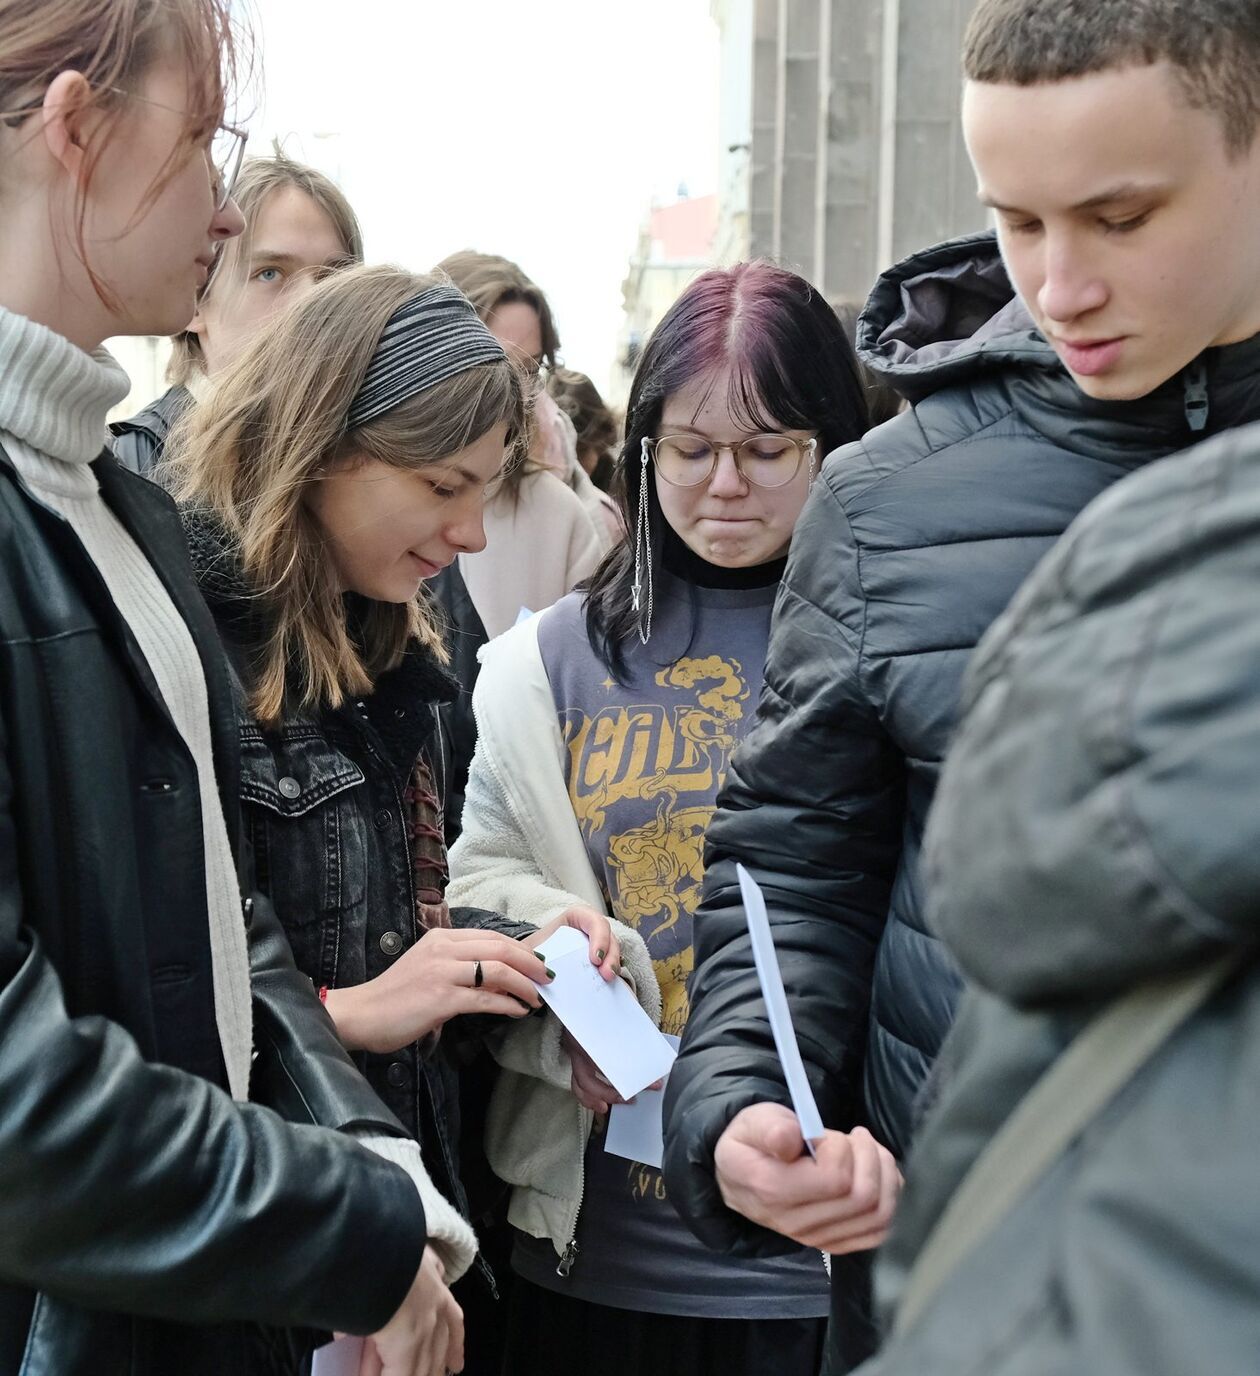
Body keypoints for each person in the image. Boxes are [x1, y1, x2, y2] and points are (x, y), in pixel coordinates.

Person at [662, 1, 1260, 1371]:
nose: (1059, 284)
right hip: (983, 1285)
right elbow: (793, 865)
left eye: (1119, 218)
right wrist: (751, 1099)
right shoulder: (884, 500)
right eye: (1017, 219)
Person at [0, 4, 472, 1373]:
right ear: (77, 126)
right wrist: (346, 1228)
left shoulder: (117, 508)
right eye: (204, 140)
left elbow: (227, 925)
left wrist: (378, 1174)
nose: (219, 201)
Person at [165, 262, 622, 1375]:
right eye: (441, 485)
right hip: (252, 1255)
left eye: (489, 488)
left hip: (395, 1233)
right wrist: (350, 1010)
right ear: (325, 449)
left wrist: (518, 962)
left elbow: (382, 927)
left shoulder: (395, 655)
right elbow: (153, 993)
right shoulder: (181, 642)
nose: (471, 533)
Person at [446, 262, 872, 1376]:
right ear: (640, 450)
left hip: (828, 1263)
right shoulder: (552, 661)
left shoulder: (885, 651)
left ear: (834, 444)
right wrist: (560, 1002)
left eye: (768, 448)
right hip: (594, 1249)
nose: (724, 484)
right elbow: (477, 880)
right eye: (688, 449)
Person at [110, 149, 363, 476]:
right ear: (195, 301)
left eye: (333, 277)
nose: (313, 301)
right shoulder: (138, 463)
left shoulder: (365, 449)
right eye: (270, 273)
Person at [437, 249, 610, 635]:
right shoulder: (362, 491)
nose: (511, 392)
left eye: (529, 370)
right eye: (490, 362)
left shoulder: (559, 514)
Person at [549, 365, 620, 492]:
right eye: (556, 452)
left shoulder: (621, 494)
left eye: (579, 452)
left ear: (599, 440)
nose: (569, 466)